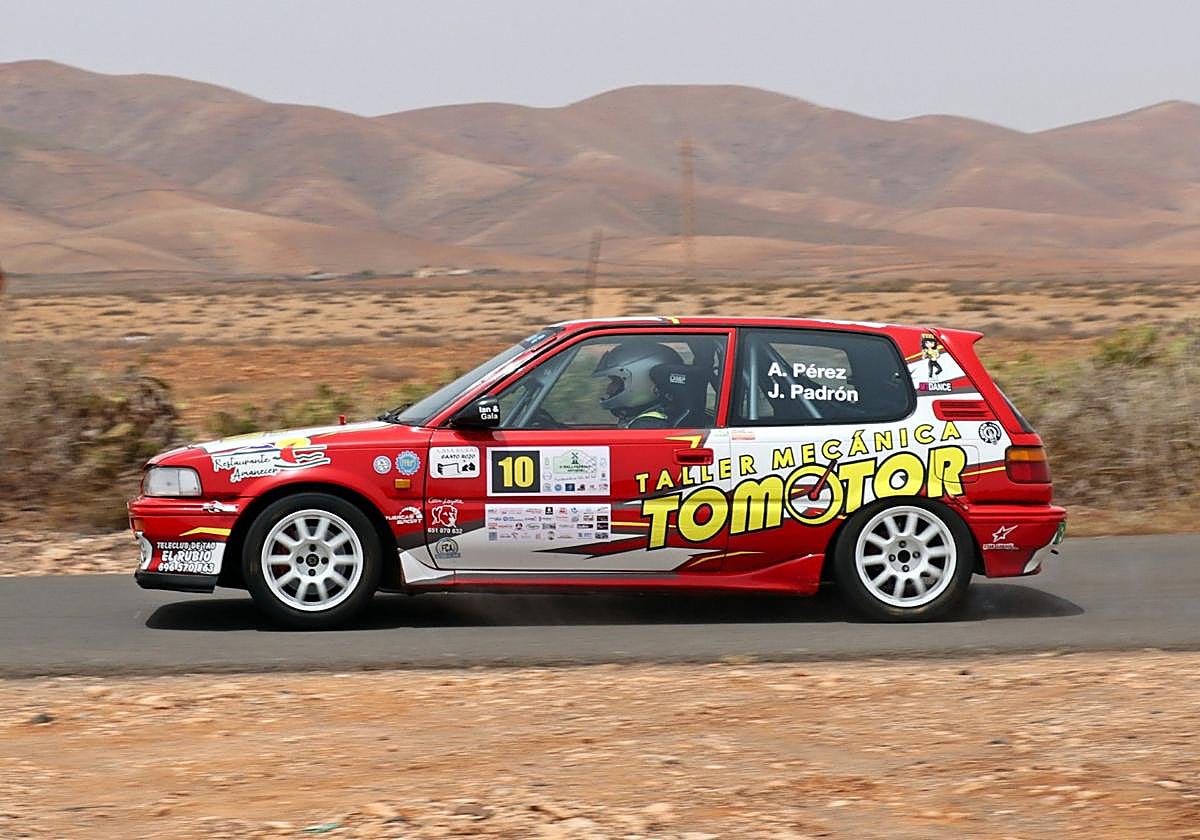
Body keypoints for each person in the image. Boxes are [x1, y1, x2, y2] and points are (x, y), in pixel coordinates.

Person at [592, 339, 683, 428]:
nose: (609, 389)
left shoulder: (648, 427)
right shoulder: (649, 421)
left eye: (616, 381)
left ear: (642, 381)